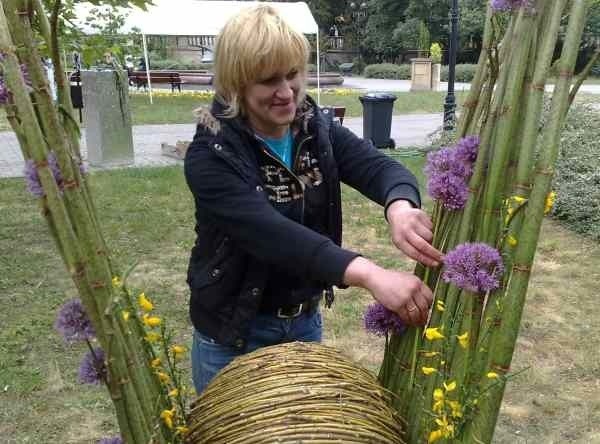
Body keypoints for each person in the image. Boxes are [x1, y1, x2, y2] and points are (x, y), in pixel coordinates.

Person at [184, 5, 442, 394]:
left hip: (303, 324)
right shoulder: (212, 155)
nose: (287, 93)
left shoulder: (312, 126)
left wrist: (400, 206)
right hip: (233, 336)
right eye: (269, 81)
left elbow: (377, 167)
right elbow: (272, 236)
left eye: (292, 75)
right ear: (236, 84)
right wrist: (370, 274)